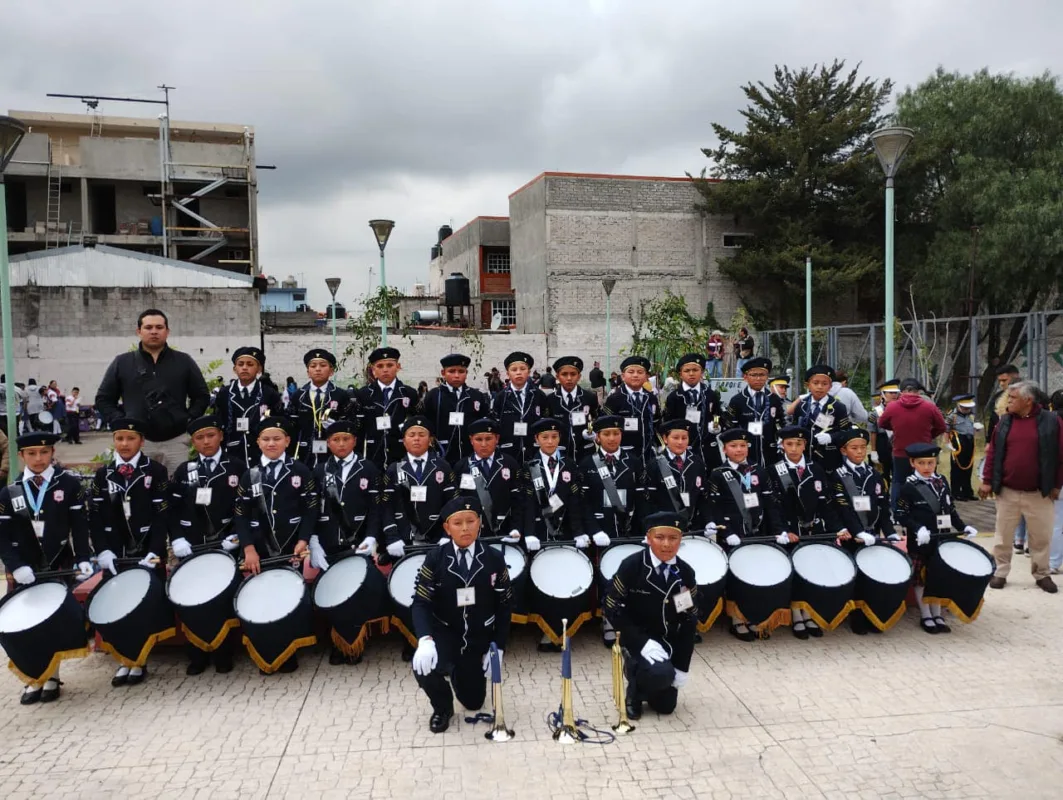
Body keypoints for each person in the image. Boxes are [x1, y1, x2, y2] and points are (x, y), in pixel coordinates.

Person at [0, 431, 93, 705]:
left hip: (58, 565)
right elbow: (2, 535)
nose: (38, 459)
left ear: (52, 452)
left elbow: (79, 525)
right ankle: (33, 678)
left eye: (43, 453)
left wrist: (83, 558)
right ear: (21, 456)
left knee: (52, 622)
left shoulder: (69, 484)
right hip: (24, 569)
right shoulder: (10, 491)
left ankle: (51, 676)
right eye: (31, 454)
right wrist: (14, 566)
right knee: (24, 625)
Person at [410, 496, 513, 733]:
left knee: (474, 702)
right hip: (446, 632)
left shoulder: (494, 558)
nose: (465, 528)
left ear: (480, 523)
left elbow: (505, 604)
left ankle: (457, 672)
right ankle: (442, 707)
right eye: (457, 523)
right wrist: (425, 640)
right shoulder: (435, 558)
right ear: (447, 528)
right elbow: (421, 602)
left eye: (471, 521)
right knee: (423, 666)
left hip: (478, 635)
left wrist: (498, 645)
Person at [233, 416, 319, 673]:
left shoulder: (300, 471)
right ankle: (266, 649)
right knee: (262, 597)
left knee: (289, 597)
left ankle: (289, 649)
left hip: (290, 546)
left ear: (288, 441)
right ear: (258, 442)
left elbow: (311, 509)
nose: (272, 443)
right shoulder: (250, 475)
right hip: (260, 549)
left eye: (277, 438)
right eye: (266, 439)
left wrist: (303, 539)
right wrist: (248, 549)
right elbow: (241, 514)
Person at [89, 418, 171, 686]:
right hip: (116, 554)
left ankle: (138, 662)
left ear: (141, 441)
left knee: (141, 606)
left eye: (131, 438)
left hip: (146, 551)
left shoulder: (155, 471)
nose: (125, 444)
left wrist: (156, 550)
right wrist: (102, 551)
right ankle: (123, 660)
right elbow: (96, 519)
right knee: (116, 604)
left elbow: (162, 516)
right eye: (120, 438)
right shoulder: (104, 474)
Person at [604, 511, 699, 720]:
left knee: (666, 707)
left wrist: (683, 666)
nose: (666, 544)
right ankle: (634, 691)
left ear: (680, 540)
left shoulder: (685, 572)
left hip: (668, 641)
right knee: (661, 674)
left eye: (673, 538)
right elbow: (612, 607)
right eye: (660, 537)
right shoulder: (632, 566)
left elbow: (689, 619)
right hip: (639, 639)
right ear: (648, 538)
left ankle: (654, 679)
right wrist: (640, 643)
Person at [168, 416, 243, 675]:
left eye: (210, 435)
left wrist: (236, 536)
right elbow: (172, 509)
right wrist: (177, 538)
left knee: (220, 599)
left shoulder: (236, 467)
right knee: (194, 599)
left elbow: (245, 509)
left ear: (220, 436)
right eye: (199, 437)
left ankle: (224, 652)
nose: (206, 441)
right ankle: (197, 652)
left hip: (224, 545)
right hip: (193, 546)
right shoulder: (184, 470)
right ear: (193, 442)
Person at [94, 309, 211, 474]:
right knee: (138, 492)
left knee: (176, 492)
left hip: (176, 441)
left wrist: (189, 419)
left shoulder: (184, 361)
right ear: (139, 331)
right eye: (148, 327)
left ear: (167, 331)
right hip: (138, 442)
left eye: (159, 327)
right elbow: (103, 399)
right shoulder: (122, 362)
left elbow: (201, 396)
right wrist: (122, 422)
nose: (154, 331)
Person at [979, 380, 1063, 594]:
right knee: (1003, 536)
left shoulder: (1052, 421)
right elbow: (994, 453)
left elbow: (1060, 456)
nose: (1008, 401)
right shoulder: (1004, 422)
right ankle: (1000, 572)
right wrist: (987, 480)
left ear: (1028, 400)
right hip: (1008, 491)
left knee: (1041, 537)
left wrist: (1056, 485)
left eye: (1013, 397)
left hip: (1039, 492)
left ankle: (1042, 574)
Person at [314, 419, 383, 665]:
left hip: (359, 542)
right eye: (335, 440)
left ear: (354, 441)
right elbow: (314, 509)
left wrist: (373, 537)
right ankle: (339, 642)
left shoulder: (368, 468)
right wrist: (313, 540)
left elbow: (376, 508)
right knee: (334, 590)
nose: (341, 444)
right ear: (328, 443)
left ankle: (356, 641)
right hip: (330, 543)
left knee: (357, 591)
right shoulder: (320, 470)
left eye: (346, 439)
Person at [578, 415, 651, 646]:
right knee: (605, 575)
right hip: (602, 529)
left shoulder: (633, 460)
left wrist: (646, 529)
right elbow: (584, 503)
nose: (612, 438)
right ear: (597, 437)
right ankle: (608, 620)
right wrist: (593, 530)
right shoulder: (587, 463)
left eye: (616, 433)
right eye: (606, 434)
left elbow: (642, 499)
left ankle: (629, 618)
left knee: (629, 573)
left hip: (628, 528)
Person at [705, 428, 784, 641]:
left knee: (756, 575)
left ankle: (755, 616)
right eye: (733, 446)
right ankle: (737, 620)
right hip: (733, 535)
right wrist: (727, 532)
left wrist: (778, 531)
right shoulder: (718, 474)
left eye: (742, 445)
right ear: (725, 449)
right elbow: (715, 507)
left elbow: (770, 504)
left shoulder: (758, 471)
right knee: (737, 578)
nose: (738, 450)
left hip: (757, 532)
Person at [896, 443, 979, 634]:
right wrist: (918, 529)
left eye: (931, 463)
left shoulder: (942, 481)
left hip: (941, 537)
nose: (927, 467)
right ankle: (925, 615)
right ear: (912, 463)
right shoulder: (908, 486)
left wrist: (962, 526)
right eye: (922, 463)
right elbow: (900, 514)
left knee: (939, 576)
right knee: (920, 579)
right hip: (921, 539)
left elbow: (950, 510)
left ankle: (937, 613)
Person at [769, 426, 836, 639]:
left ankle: (809, 613)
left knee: (811, 571)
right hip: (791, 530)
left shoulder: (815, 468)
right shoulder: (775, 470)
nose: (794, 448)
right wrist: (782, 530)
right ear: (782, 445)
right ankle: (797, 617)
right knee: (796, 572)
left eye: (799, 444)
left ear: (805, 445)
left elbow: (825, 502)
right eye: (789, 444)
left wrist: (836, 528)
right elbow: (773, 506)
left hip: (813, 529)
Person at [828, 429, 896, 634]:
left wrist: (889, 531)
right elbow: (843, 508)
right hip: (853, 536)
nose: (859, 452)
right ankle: (856, 616)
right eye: (853, 448)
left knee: (874, 575)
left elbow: (883, 507)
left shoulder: (874, 474)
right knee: (856, 576)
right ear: (843, 450)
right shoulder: (838, 475)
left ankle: (872, 614)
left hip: (872, 532)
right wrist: (857, 532)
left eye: (862, 448)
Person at [382, 416, 457, 553]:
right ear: (404, 441)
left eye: (422, 435)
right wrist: (392, 537)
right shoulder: (394, 469)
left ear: (430, 440)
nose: (416, 438)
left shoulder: (442, 467)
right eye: (411, 435)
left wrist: (448, 534)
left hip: (437, 538)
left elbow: (452, 502)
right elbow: (386, 507)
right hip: (404, 539)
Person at [455, 417, 529, 545]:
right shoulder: (461, 466)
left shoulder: (509, 463)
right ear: (471, 440)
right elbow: (456, 504)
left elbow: (518, 500)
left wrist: (516, 528)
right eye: (479, 439)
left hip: (505, 531)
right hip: (472, 533)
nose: (484, 444)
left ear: (497, 439)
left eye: (488, 439)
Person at [876, 378, 947, 510]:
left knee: (898, 481)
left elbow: (882, 423)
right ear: (918, 391)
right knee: (926, 480)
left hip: (901, 451)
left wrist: (897, 428)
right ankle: (929, 508)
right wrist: (929, 435)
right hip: (924, 452)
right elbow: (942, 426)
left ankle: (898, 510)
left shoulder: (892, 407)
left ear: (901, 391)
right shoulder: (929, 406)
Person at [212, 347, 283, 473]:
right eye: (240, 364)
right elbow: (218, 422)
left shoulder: (268, 393)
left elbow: (279, 422)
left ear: (259, 369)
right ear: (235, 369)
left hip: (260, 452)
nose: (244, 368)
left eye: (250, 364)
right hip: (232, 451)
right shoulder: (225, 393)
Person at [290, 348, 358, 471]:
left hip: (332, 449)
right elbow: (291, 424)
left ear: (331, 371)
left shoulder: (340, 395)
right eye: (313, 366)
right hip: (304, 449)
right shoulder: (298, 395)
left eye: (323, 365)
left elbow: (351, 423)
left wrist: (337, 426)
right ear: (308, 372)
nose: (318, 369)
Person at [357, 347, 420, 471]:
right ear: (373, 370)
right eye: (380, 366)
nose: (385, 370)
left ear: (398, 367)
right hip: (373, 456)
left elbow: (417, 421)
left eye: (390, 365)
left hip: (401, 455)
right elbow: (359, 429)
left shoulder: (409, 393)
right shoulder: (363, 394)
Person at [421, 354, 490, 466]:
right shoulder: (433, 395)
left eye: (461, 371)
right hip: (442, 453)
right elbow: (427, 423)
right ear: (443, 373)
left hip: (470, 453)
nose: (456, 375)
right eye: (451, 371)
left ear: (466, 373)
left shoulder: (476, 396)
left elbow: (483, 422)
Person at [647, 419, 711, 532]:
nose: (680, 442)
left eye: (684, 438)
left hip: (693, 525)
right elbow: (651, 500)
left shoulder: (697, 462)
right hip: (664, 525)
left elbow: (703, 495)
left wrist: (709, 520)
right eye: (675, 438)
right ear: (665, 439)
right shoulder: (655, 463)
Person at [664, 353, 723, 472]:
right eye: (687, 370)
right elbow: (668, 421)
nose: (691, 373)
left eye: (695, 370)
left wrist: (715, 425)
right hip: (683, 446)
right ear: (680, 374)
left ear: (702, 372)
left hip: (707, 445)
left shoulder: (710, 394)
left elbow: (717, 414)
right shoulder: (674, 397)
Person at [786, 365, 851, 472]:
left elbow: (845, 432)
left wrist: (831, 437)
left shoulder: (838, 407)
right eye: (815, 383)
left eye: (824, 384)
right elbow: (795, 427)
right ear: (808, 385)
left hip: (828, 459)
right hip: (804, 457)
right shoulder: (801, 405)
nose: (820, 387)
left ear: (830, 386)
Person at [489, 352, 549, 464]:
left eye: (522, 369)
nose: (518, 373)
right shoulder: (501, 397)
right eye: (514, 369)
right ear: (508, 373)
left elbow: (545, 421)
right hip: (508, 451)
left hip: (534, 450)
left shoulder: (538, 395)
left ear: (529, 372)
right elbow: (495, 423)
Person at [724, 357, 784, 468]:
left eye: (762, 375)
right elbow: (729, 426)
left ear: (767, 377)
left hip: (769, 451)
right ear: (745, 377)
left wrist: (780, 439)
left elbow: (780, 422)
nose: (758, 378)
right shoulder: (737, 400)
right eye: (754, 375)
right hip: (745, 452)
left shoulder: (774, 399)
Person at [603, 355, 661, 458]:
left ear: (646, 376)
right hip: (623, 452)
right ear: (623, 376)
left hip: (647, 451)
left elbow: (656, 423)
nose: (635, 375)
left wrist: (659, 445)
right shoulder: (615, 398)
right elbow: (604, 424)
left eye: (640, 372)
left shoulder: (651, 397)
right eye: (631, 372)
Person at [548, 356, 600, 464]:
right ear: (557, 376)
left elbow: (597, 418)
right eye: (564, 374)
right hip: (560, 452)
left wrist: (594, 433)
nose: (569, 378)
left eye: (573, 374)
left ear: (579, 376)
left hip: (585, 452)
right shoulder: (550, 399)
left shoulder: (589, 397)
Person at [946, 394, 981, 501]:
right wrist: (948, 444)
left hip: (969, 441)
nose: (967, 409)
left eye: (968, 407)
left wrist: (978, 429)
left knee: (968, 467)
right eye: (965, 407)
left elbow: (974, 427)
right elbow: (946, 430)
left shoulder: (972, 415)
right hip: (958, 442)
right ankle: (956, 492)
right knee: (957, 469)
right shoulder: (952, 415)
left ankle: (967, 492)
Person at [868, 379, 900, 486]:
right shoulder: (875, 412)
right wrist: (873, 451)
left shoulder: (901, 409)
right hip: (882, 443)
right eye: (891, 392)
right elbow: (873, 432)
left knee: (898, 474)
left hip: (898, 443)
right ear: (883, 394)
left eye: (896, 392)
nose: (894, 395)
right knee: (883, 475)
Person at [985, 364, 1020, 441]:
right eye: (999, 381)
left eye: (1004, 380)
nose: (1001, 384)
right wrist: (989, 441)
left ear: (1016, 377)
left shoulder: (1030, 395)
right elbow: (993, 420)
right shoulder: (997, 398)